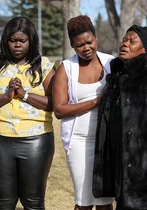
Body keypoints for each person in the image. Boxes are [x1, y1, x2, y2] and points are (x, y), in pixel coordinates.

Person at [0, 16, 55, 209]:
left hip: (36, 140)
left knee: (33, 202)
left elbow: (55, 103)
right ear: (5, 41)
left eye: (22, 40)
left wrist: (25, 94)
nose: (17, 45)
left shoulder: (44, 66)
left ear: (31, 40)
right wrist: (7, 96)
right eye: (13, 41)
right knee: (4, 202)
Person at [52, 15, 114, 210]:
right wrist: (96, 101)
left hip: (107, 141)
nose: (86, 48)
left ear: (96, 38)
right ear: (72, 45)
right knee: (83, 201)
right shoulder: (66, 68)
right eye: (80, 45)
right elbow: (59, 109)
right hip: (78, 141)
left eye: (90, 42)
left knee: (105, 201)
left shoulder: (111, 63)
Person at [93, 25, 147, 209]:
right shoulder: (116, 78)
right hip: (121, 165)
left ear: (144, 49)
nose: (125, 44)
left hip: (141, 168)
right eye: (124, 39)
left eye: (133, 41)